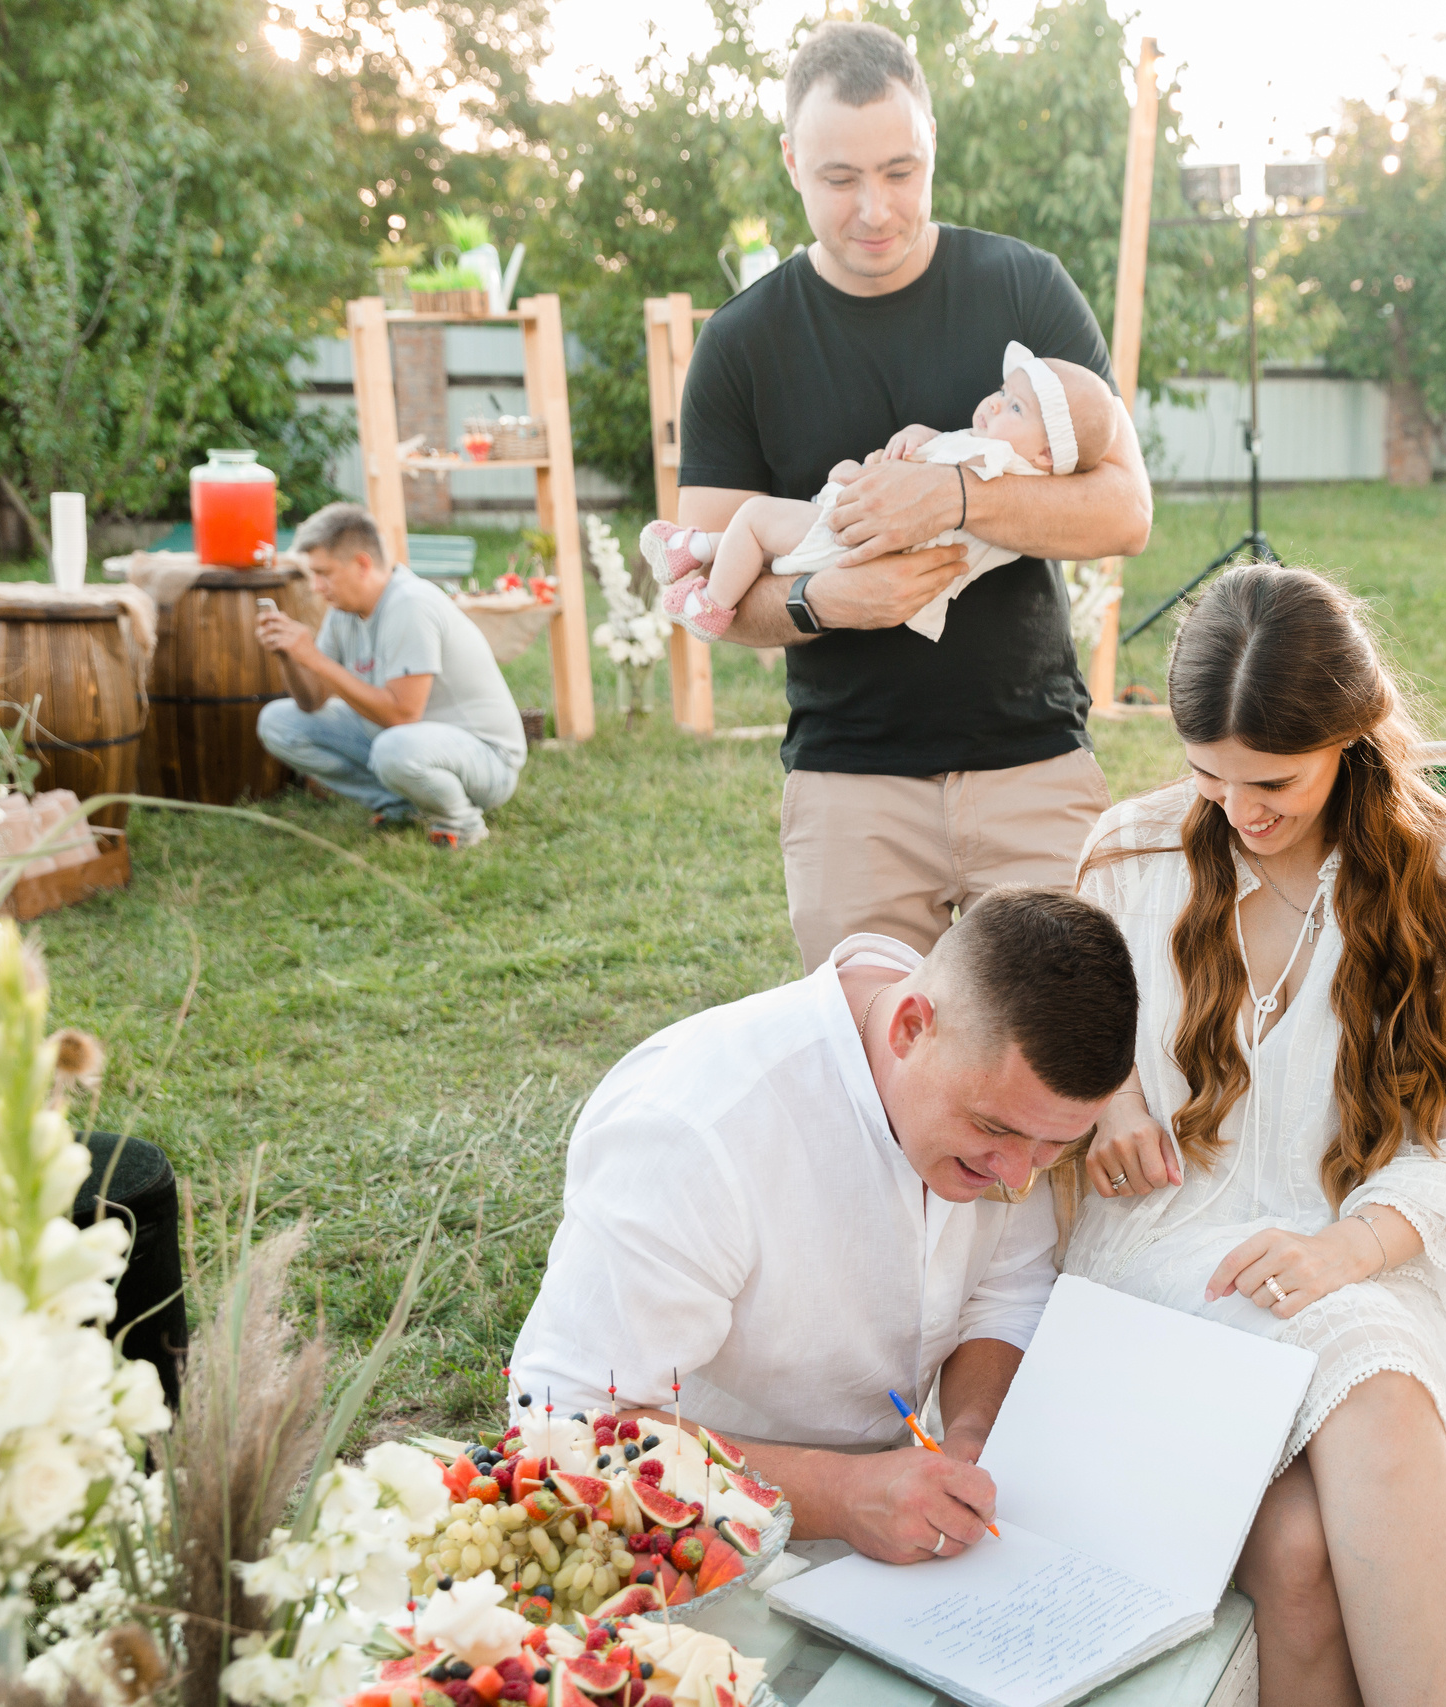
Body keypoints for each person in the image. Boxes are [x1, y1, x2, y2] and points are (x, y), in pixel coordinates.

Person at [1066, 567, 1446, 1707]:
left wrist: (1346, 1251)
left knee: (1318, 1499)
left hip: (1386, 1259)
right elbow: (1051, 1045)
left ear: (1351, 733)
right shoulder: (1127, 857)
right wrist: (1110, 1100)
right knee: (1347, 1399)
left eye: (1275, 781)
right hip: (1168, 1253)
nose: (1240, 812)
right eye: (1209, 776)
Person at [674, 18, 1153, 969]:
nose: (876, 209)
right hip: (848, 783)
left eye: (901, 171)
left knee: (1065, 1069)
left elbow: (1125, 513)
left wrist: (957, 503)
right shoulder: (741, 344)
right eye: (840, 179)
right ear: (791, 163)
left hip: (1034, 762)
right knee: (871, 1083)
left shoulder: (1025, 291)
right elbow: (705, 581)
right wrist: (822, 600)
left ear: (932, 142)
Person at [506, 886, 1138, 1565]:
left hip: (893, 1519)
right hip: (679, 1532)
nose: (1019, 1175)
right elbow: (560, 1424)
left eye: (1052, 1147)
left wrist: (971, 1433)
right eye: (992, 1130)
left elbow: (1005, 1291)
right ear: (910, 1028)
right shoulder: (694, 1132)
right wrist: (839, 1494)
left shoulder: (1002, 1095)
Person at [646, 344, 1116, 643]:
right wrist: (913, 439)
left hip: (862, 542)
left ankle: (710, 603)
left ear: (1046, 458)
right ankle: (694, 547)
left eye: (1015, 406)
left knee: (754, 519)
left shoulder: (1003, 465)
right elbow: (935, 463)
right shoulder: (998, 458)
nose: (994, 402)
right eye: (1001, 390)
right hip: (866, 534)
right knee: (773, 535)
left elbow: (945, 475)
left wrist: (910, 447)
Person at [255, 502, 525, 850]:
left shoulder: (410, 604)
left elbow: (402, 714)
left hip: (486, 762)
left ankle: (461, 821)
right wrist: (290, 657)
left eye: (324, 574)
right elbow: (313, 702)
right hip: (408, 746)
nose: (316, 587)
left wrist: (316, 659)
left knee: (393, 748)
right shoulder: (345, 611)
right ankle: (399, 804)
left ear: (362, 564)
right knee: (279, 722)